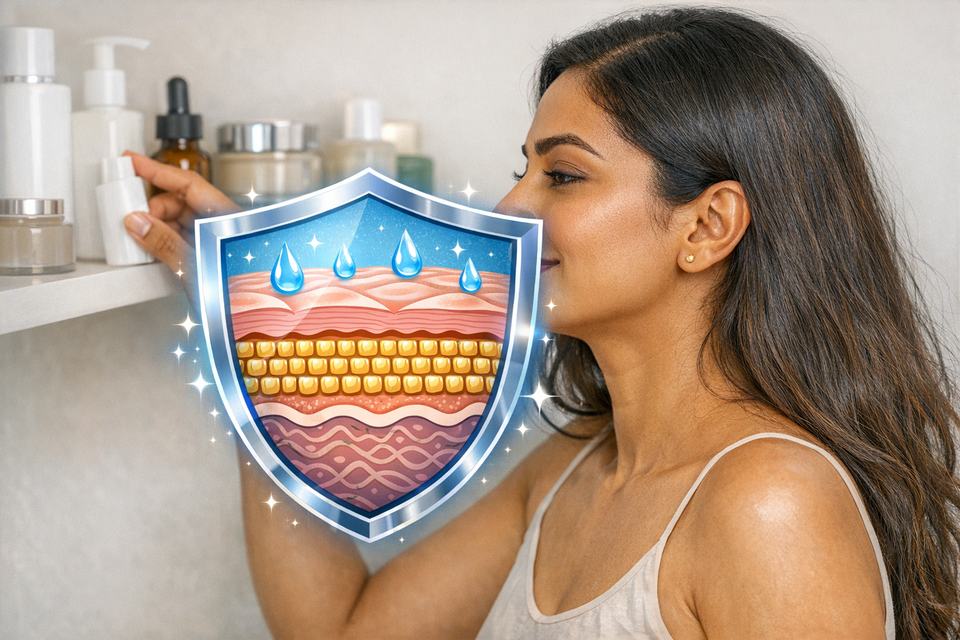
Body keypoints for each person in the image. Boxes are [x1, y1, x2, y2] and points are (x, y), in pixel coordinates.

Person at [123, 6, 960, 639]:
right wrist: (253, 320)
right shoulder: (572, 468)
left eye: (563, 175)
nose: (508, 209)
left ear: (706, 227)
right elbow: (344, 628)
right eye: (523, 170)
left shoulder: (769, 505)